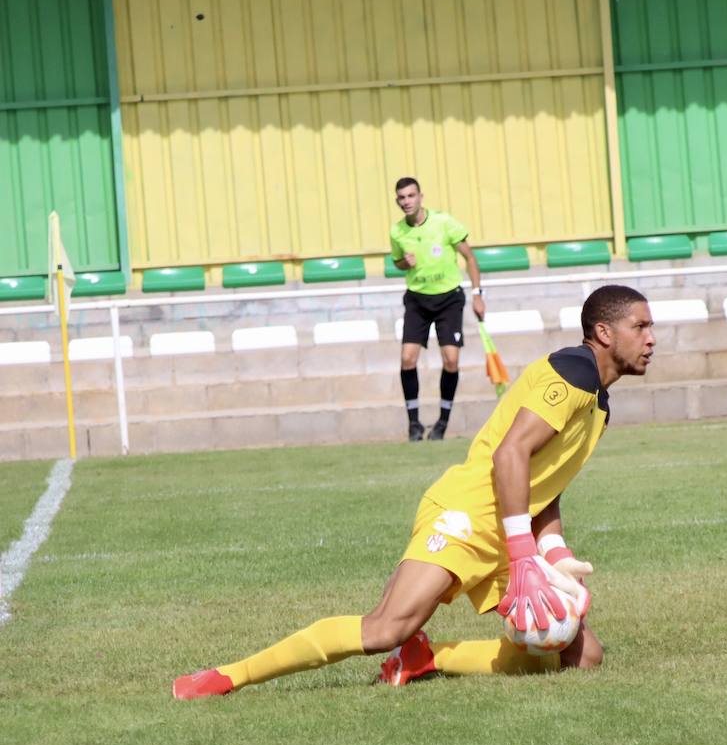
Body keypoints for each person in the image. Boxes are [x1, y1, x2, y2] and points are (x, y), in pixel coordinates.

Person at [173, 285, 655, 698]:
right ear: (604, 333)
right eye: (641, 327)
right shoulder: (573, 371)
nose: (651, 339)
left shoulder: (599, 403)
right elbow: (510, 455)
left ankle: (428, 659)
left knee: (583, 655)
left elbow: (542, 480)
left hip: (508, 533)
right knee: (387, 628)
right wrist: (523, 552)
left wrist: (554, 549)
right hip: (466, 516)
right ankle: (224, 677)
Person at [390, 177, 486, 441]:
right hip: (417, 299)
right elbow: (398, 262)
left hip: (449, 299)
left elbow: (470, 257)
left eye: (411, 196)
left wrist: (478, 294)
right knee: (407, 359)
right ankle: (414, 424)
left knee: (451, 360)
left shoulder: (444, 223)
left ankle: (442, 422)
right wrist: (403, 263)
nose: (407, 201)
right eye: (402, 197)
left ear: (421, 196)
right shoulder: (397, 231)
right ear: (397, 201)